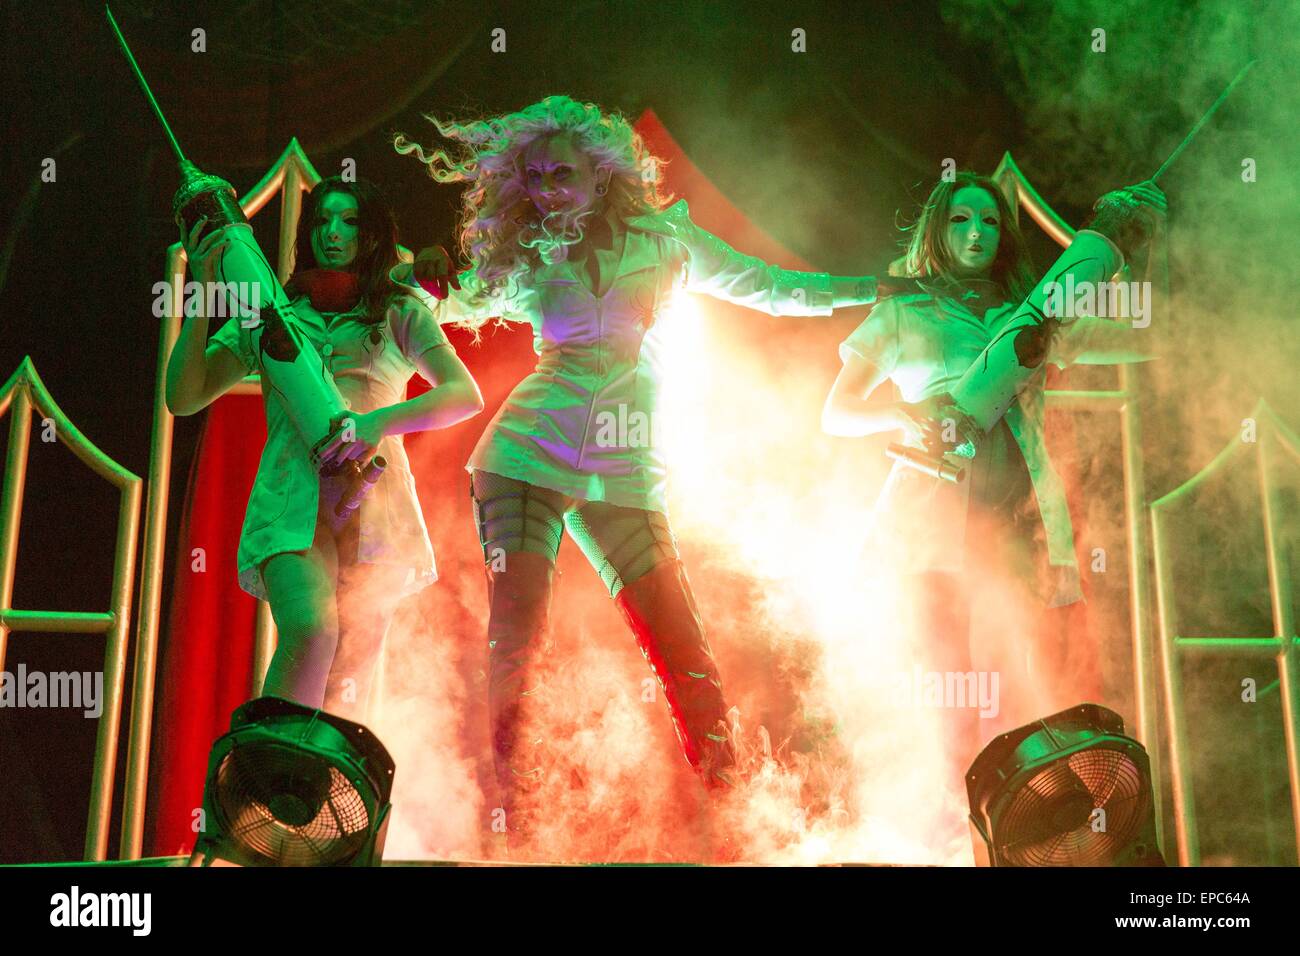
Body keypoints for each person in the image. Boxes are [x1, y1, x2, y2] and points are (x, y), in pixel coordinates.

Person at [394, 94, 901, 838]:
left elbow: (775, 287)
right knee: (516, 644)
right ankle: (507, 826)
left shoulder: (669, 243)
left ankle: (734, 820)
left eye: (562, 175)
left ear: (603, 177)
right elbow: (446, 300)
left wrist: (873, 288)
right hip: (522, 456)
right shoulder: (530, 253)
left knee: (683, 648)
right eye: (534, 179)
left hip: (621, 467)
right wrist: (424, 277)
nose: (547, 191)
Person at [822, 171, 1165, 792]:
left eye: (988, 221)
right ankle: (952, 832)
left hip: (1018, 519)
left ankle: (1028, 833)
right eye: (960, 219)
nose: (976, 232)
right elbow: (836, 411)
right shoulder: (901, 313)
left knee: (1023, 685)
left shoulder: (1029, 315)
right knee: (946, 687)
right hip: (929, 523)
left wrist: (1132, 251)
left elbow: (1144, 337)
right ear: (937, 230)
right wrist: (905, 413)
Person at [165, 175, 483, 723]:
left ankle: (326, 799)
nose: (332, 232)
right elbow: (184, 395)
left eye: (350, 220)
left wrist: (373, 424)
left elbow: (464, 395)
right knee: (313, 631)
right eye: (322, 220)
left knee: (352, 686)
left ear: (374, 233)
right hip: (294, 504)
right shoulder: (273, 313)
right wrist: (203, 288)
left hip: (376, 504)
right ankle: (263, 779)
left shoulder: (400, 309)